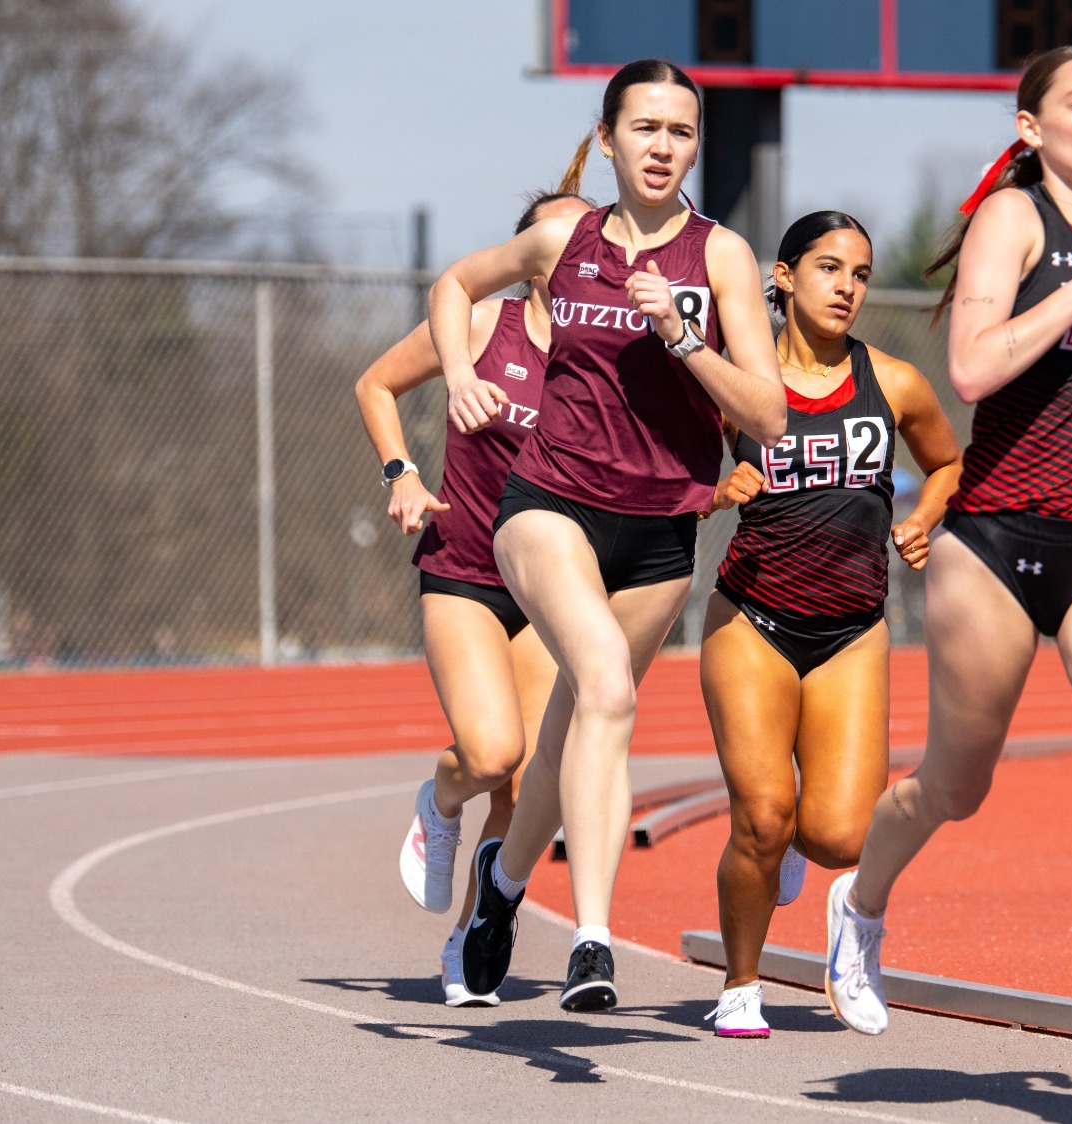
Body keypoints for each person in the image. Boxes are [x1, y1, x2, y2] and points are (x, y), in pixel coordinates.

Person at [821, 46, 1072, 1082]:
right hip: (994, 538)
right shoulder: (1014, 220)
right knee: (956, 782)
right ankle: (859, 900)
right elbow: (969, 366)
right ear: (1031, 126)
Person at [431, 58, 785, 1013]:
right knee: (609, 687)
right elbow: (454, 284)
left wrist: (685, 339)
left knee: (571, 732)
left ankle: (499, 892)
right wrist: (461, 371)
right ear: (611, 135)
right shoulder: (561, 237)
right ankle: (592, 939)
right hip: (548, 502)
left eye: (681, 132)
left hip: (664, 527)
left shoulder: (721, 257)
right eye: (647, 129)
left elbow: (770, 415)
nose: (664, 147)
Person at [699, 210, 961, 1039]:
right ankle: (742, 985)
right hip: (753, 617)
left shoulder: (894, 382)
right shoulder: (739, 385)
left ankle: (839, 909)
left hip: (853, 626)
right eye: (827, 267)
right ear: (781, 278)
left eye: (859, 272)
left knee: (842, 837)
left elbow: (949, 462)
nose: (847, 286)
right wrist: (714, 492)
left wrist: (928, 518)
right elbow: (662, 475)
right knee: (765, 816)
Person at [354, 178, 590, 1006]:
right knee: (491, 755)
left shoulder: (610, 353)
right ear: (526, 259)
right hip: (465, 566)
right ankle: (441, 800)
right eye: (555, 241)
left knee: (530, 789)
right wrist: (403, 472)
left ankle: (471, 935)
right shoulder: (484, 324)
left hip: (551, 581)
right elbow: (375, 385)